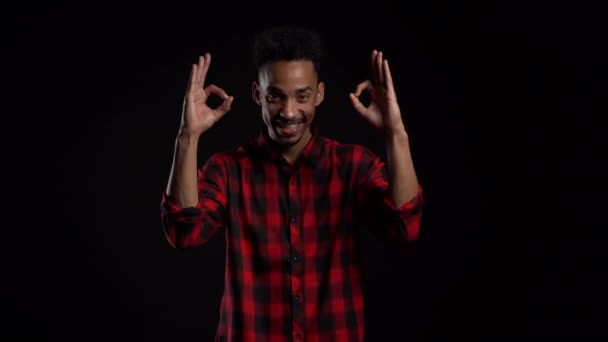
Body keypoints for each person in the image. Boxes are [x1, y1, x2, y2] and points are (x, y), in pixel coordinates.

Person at [160, 26, 423, 342]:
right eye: (275, 96)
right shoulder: (228, 170)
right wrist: (187, 136)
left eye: (302, 96)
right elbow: (185, 233)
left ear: (320, 94)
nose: (288, 111)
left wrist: (396, 133)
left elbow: (405, 226)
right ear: (258, 95)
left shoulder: (352, 166)